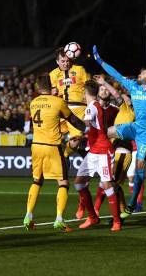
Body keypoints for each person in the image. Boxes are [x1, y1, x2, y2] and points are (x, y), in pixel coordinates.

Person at [92, 38, 146, 218]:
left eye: (143, 74)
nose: (139, 75)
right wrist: (100, 61)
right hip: (135, 126)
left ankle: (132, 203)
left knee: (139, 168)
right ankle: (94, 153)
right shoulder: (133, 86)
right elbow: (115, 74)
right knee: (106, 132)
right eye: (140, 74)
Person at [24, 75, 86, 232]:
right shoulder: (58, 102)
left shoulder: (33, 103)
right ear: (51, 85)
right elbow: (73, 120)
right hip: (52, 146)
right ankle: (59, 219)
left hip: (36, 146)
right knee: (63, 183)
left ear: (38, 88)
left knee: (37, 181)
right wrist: (88, 127)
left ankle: (28, 215)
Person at [74, 80, 122, 231]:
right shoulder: (96, 106)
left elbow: (86, 125)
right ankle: (93, 217)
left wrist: (70, 119)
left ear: (85, 93)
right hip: (94, 150)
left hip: (103, 152)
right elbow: (93, 129)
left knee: (107, 185)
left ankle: (117, 221)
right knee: (79, 183)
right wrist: (82, 137)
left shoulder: (91, 107)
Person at [48, 48, 90, 219]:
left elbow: (89, 90)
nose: (65, 63)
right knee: (55, 140)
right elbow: (51, 92)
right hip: (60, 109)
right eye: (62, 61)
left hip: (78, 109)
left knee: (76, 139)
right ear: (57, 61)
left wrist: (90, 110)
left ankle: (67, 155)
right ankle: (67, 157)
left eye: (67, 60)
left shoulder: (79, 70)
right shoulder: (53, 74)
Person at [92, 75, 133, 217]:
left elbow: (116, 94)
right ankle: (122, 212)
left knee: (108, 183)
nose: (124, 98)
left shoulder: (128, 109)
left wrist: (104, 82)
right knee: (113, 185)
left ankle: (97, 210)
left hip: (122, 152)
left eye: (127, 97)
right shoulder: (121, 111)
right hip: (115, 151)